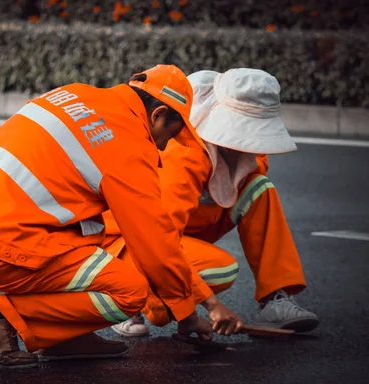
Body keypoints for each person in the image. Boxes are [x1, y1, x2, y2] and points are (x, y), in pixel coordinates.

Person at [0, 64, 216, 369]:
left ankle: (61, 336)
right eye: (169, 135)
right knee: (131, 290)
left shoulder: (74, 94)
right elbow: (155, 242)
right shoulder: (129, 144)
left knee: (91, 240)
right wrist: (187, 315)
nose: (163, 146)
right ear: (158, 114)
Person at [103, 68, 320, 337]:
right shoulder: (183, 153)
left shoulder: (250, 151)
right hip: (134, 241)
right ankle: (132, 301)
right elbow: (159, 241)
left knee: (260, 188)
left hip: (187, 229)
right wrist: (198, 311)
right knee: (221, 269)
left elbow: (248, 181)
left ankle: (275, 298)